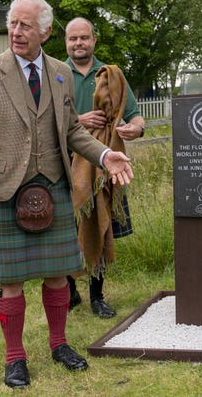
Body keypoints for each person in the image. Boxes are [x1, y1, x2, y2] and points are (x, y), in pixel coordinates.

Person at [0, 0, 133, 389]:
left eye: (25, 25)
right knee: (9, 281)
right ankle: (15, 358)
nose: (16, 31)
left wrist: (105, 156)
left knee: (57, 276)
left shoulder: (61, 72)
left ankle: (59, 343)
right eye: (12, 23)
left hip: (52, 185)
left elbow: (72, 131)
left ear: (46, 31)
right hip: (1, 190)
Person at [64, 17, 146, 319]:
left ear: (94, 40)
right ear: (66, 42)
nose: (78, 44)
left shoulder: (112, 75)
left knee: (101, 226)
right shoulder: (56, 75)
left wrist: (134, 131)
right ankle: (69, 291)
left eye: (84, 38)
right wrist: (80, 121)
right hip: (66, 168)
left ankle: (97, 296)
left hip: (103, 170)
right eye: (73, 39)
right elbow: (45, 124)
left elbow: (136, 117)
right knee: (67, 231)